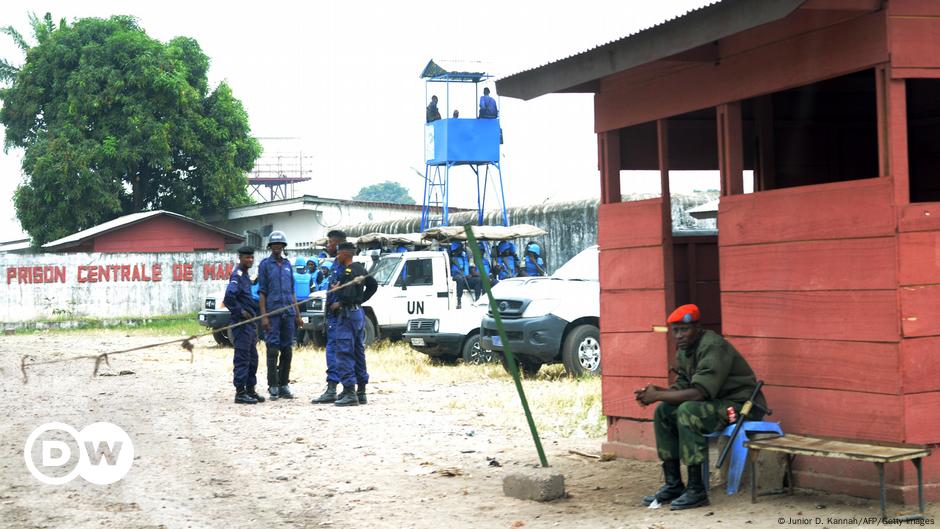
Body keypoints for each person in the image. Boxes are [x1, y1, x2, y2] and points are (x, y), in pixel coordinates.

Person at [635, 304, 768, 511]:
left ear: (698, 327)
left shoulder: (712, 346)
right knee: (663, 411)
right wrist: (657, 391)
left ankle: (697, 490)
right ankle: (674, 484)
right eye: (675, 330)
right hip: (715, 402)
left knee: (688, 410)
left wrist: (658, 395)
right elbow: (684, 385)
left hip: (741, 405)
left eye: (684, 329)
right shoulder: (685, 350)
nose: (679, 335)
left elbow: (699, 393)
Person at [329, 242, 378, 406]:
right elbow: (373, 285)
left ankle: (350, 392)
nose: (337, 257)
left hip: (348, 315)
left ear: (344, 254)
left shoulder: (349, 271)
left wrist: (339, 299)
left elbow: (348, 294)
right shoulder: (360, 269)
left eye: (338, 253)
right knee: (358, 351)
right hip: (358, 314)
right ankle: (361, 392)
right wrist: (361, 300)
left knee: (344, 351)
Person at [258, 231, 305, 401]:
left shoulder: (287, 265)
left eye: (279, 245)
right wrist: (264, 317)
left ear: (283, 246)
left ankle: (284, 384)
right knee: (272, 349)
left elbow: (292, 292)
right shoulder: (265, 265)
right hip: (273, 314)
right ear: (270, 247)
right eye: (274, 245)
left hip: (288, 314)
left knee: (287, 350)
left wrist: (298, 315)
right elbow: (262, 292)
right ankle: (273, 385)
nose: (277, 247)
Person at [223, 246, 264, 404]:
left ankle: (250, 390)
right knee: (242, 358)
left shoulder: (246, 276)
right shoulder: (237, 275)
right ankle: (240, 393)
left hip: (249, 324)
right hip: (241, 324)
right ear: (240, 258)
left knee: (253, 358)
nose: (250, 260)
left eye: (252, 257)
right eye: (247, 257)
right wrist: (240, 312)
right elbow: (228, 298)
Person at [312, 229, 348, 404]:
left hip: (340, 316)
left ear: (338, 244)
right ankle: (341, 388)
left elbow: (354, 290)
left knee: (335, 352)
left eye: (330, 242)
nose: (328, 245)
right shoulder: (334, 263)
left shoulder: (346, 266)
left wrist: (340, 304)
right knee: (335, 351)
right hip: (332, 317)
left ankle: (334, 388)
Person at [448, 242, 473, 309]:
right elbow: (451, 270)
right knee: (460, 279)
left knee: (478, 280)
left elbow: (468, 267)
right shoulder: (451, 259)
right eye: (459, 248)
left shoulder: (464, 257)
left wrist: (469, 274)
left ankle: (477, 299)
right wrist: (462, 274)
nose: (461, 250)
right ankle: (459, 300)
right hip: (456, 276)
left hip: (466, 276)